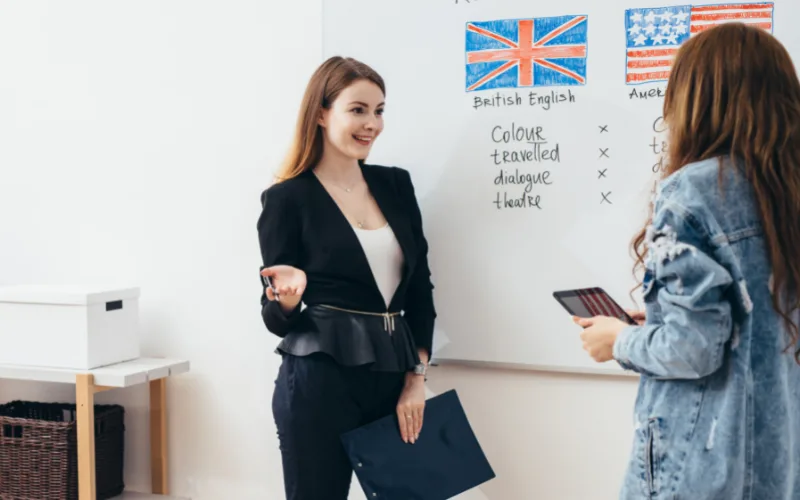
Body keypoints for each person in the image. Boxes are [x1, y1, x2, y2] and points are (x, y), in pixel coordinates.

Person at [574, 23, 800, 499]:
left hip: (702, 463)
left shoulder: (695, 190)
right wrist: (652, 321)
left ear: (697, 98)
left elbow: (691, 349)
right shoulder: (788, 193)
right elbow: (752, 323)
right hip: (781, 455)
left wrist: (620, 341)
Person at [256, 56, 436, 500]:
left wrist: (417, 378)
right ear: (321, 113)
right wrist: (288, 299)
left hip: (394, 373)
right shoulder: (287, 199)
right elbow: (276, 318)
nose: (371, 123)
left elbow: (420, 289)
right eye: (357, 109)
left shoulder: (396, 185)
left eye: (379, 111)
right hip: (319, 380)